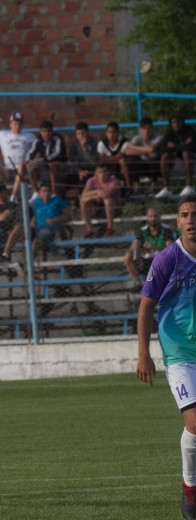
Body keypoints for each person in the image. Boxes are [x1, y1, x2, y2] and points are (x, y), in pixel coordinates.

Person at [135, 194, 196, 520]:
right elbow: (146, 306)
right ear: (178, 222)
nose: (191, 220)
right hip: (179, 353)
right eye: (185, 215)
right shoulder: (167, 259)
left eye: (195, 214)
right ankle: (190, 487)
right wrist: (144, 354)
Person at [0, 111, 37, 196]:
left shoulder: (29, 136)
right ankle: (2, 191)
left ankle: (13, 196)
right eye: (15, 123)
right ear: (10, 124)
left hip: (23, 170)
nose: (17, 126)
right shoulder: (3, 135)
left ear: (23, 125)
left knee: (21, 165)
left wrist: (32, 161)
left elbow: (38, 147)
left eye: (20, 123)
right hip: (7, 170)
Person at [123, 207, 176, 288]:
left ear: (159, 217)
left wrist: (154, 248)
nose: (153, 219)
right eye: (151, 216)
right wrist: (136, 250)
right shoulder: (141, 231)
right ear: (147, 217)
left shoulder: (166, 230)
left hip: (161, 260)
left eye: (155, 216)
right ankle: (138, 283)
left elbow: (171, 249)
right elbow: (135, 246)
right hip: (145, 260)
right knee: (128, 256)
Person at [157, 115, 196, 199]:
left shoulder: (190, 131)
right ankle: (166, 188)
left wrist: (174, 146)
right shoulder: (169, 132)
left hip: (192, 162)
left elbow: (191, 147)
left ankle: (189, 186)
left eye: (178, 122)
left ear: (182, 122)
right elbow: (162, 148)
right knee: (165, 156)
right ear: (171, 124)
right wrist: (183, 145)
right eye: (174, 122)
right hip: (178, 162)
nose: (176, 124)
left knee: (186, 153)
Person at [25, 120, 67, 195]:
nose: (46, 134)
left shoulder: (57, 138)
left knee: (54, 165)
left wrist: (44, 159)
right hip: (43, 165)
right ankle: (37, 193)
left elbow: (57, 153)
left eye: (48, 131)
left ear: (52, 131)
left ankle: (54, 193)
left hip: (59, 164)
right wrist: (30, 160)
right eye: (44, 131)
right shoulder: (38, 140)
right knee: (29, 166)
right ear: (41, 132)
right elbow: (31, 152)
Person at [80, 163, 122, 238]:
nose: (102, 174)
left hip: (113, 207)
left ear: (108, 172)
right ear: (96, 173)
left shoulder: (114, 181)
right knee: (84, 202)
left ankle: (110, 228)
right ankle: (89, 229)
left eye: (104, 171)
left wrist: (92, 194)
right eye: (100, 172)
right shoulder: (91, 180)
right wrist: (97, 192)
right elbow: (83, 194)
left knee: (107, 200)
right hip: (97, 205)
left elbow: (107, 194)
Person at [30, 184, 71, 257]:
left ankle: (29, 265)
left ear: (51, 192)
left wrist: (56, 219)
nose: (46, 193)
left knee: (35, 242)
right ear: (39, 193)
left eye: (48, 191)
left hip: (49, 227)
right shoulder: (35, 202)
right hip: (36, 228)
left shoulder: (57, 200)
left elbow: (68, 216)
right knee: (24, 236)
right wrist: (33, 219)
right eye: (44, 191)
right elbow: (33, 214)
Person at [124, 117, 162, 195]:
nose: (146, 131)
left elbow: (152, 149)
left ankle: (154, 185)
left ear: (152, 128)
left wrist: (133, 147)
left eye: (149, 128)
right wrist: (145, 152)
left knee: (153, 158)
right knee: (130, 160)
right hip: (142, 164)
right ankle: (137, 187)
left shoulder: (158, 137)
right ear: (140, 129)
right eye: (144, 128)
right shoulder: (137, 138)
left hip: (155, 165)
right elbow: (127, 152)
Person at [65, 121, 100, 199]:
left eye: (83, 133)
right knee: (64, 180)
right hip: (79, 170)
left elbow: (94, 162)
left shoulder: (95, 143)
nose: (81, 136)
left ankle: (80, 203)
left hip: (92, 170)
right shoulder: (74, 144)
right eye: (78, 134)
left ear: (87, 132)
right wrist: (79, 171)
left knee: (83, 182)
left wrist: (85, 148)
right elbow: (71, 160)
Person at [96, 121, 130, 190]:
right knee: (100, 166)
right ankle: (100, 185)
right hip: (108, 165)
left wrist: (114, 158)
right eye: (109, 132)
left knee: (122, 161)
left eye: (114, 132)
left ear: (118, 133)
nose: (111, 135)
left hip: (121, 165)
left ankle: (128, 185)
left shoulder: (124, 142)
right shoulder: (102, 143)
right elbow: (102, 159)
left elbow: (123, 154)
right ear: (106, 133)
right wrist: (113, 159)